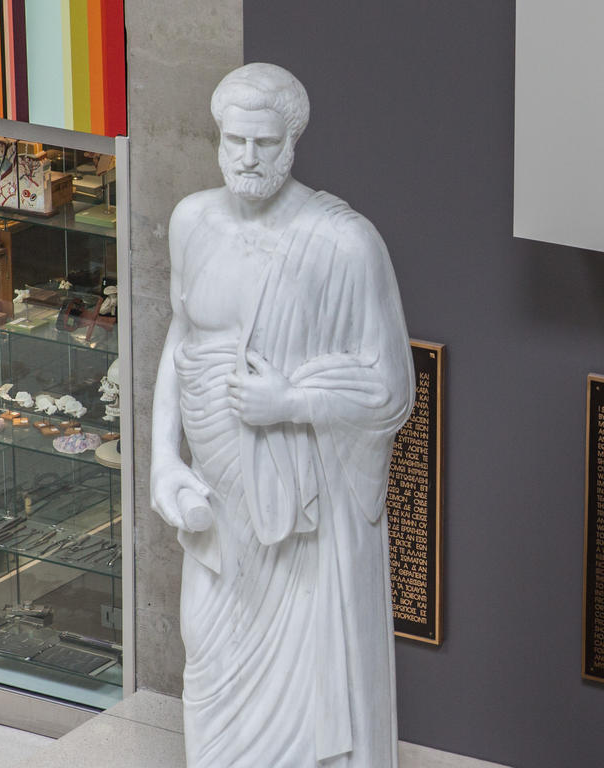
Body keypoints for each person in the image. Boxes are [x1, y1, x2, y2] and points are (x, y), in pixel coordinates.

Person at [151, 63, 414, 767]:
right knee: (207, 658)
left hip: (301, 520)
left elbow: (391, 390)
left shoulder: (343, 244)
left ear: (292, 142)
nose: (247, 157)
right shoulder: (193, 222)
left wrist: (291, 402)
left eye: (264, 143)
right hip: (217, 507)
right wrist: (164, 460)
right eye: (234, 140)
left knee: (306, 695)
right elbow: (182, 338)